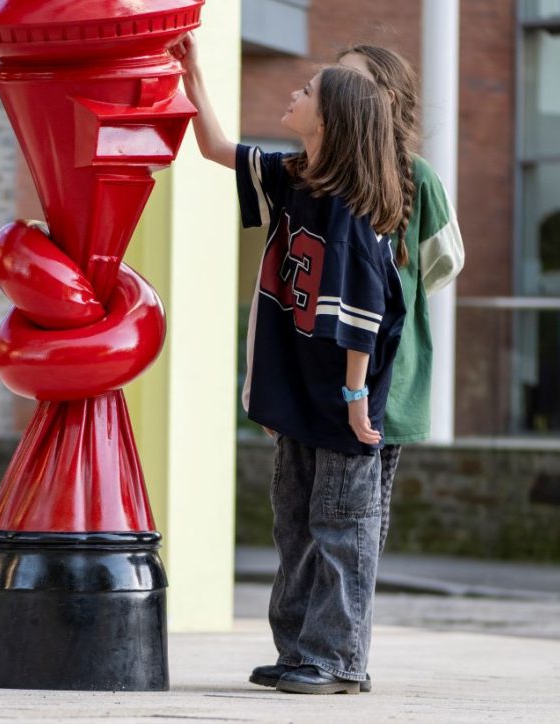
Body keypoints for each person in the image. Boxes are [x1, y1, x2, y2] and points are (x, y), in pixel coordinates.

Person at [173, 34, 406, 695]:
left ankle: (338, 660)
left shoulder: (354, 212)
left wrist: (355, 398)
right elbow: (218, 150)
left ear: (330, 122)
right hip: (300, 395)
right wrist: (193, 80)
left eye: (307, 92)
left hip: (340, 401)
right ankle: (300, 649)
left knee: (341, 525)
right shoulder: (292, 177)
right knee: (295, 520)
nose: (294, 95)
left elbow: (364, 313)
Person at [336, 45, 465, 558]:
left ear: (386, 100)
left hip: (391, 384)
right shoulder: (326, 173)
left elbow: (444, 261)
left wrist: (397, 305)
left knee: (364, 535)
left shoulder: (420, 177)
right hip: (328, 380)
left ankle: (345, 638)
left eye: (349, 80)